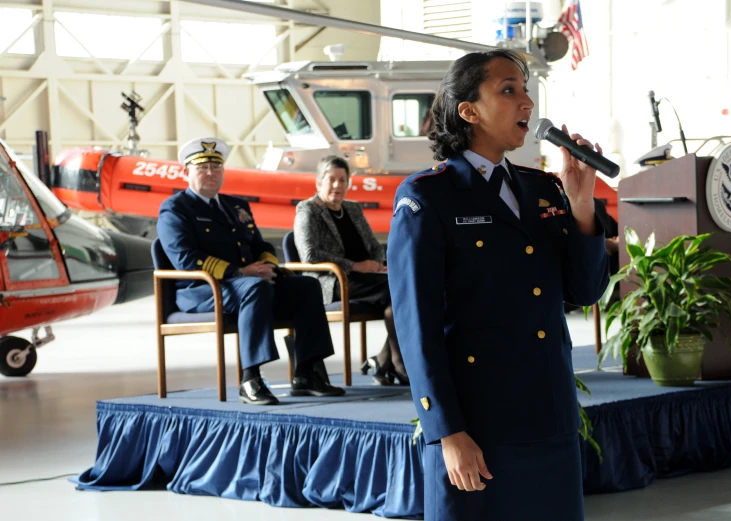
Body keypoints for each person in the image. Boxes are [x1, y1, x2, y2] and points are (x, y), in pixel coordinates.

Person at [387, 50, 610, 520]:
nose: (526, 102)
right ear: (468, 111)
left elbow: (585, 292)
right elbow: (416, 328)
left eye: (525, 90)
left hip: (548, 420)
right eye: (508, 90)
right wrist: (446, 432)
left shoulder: (546, 190)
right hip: (476, 426)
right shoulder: (428, 197)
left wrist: (582, 202)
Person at [157, 137, 344, 406]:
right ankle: (250, 379)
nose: (211, 173)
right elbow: (185, 258)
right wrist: (241, 272)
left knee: (306, 286)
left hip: (244, 285)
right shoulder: (175, 209)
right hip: (201, 290)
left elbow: (261, 244)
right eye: (202, 167)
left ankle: (307, 373)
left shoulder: (236, 206)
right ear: (186, 172)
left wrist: (266, 266)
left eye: (216, 167)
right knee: (255, 288)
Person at [293, 155, 408, 385]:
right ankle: (395, 363)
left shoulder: (353, 209)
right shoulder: (308, 210)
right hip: (333, 281)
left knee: (397, 302)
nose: (337, 185)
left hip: (368, 278)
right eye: (331, 179)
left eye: (342, 180)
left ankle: (387, 360)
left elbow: (375, 246)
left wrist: (376, 263)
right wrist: (354, 266)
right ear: (318, 182)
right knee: (403, 290)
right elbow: (310, 255)